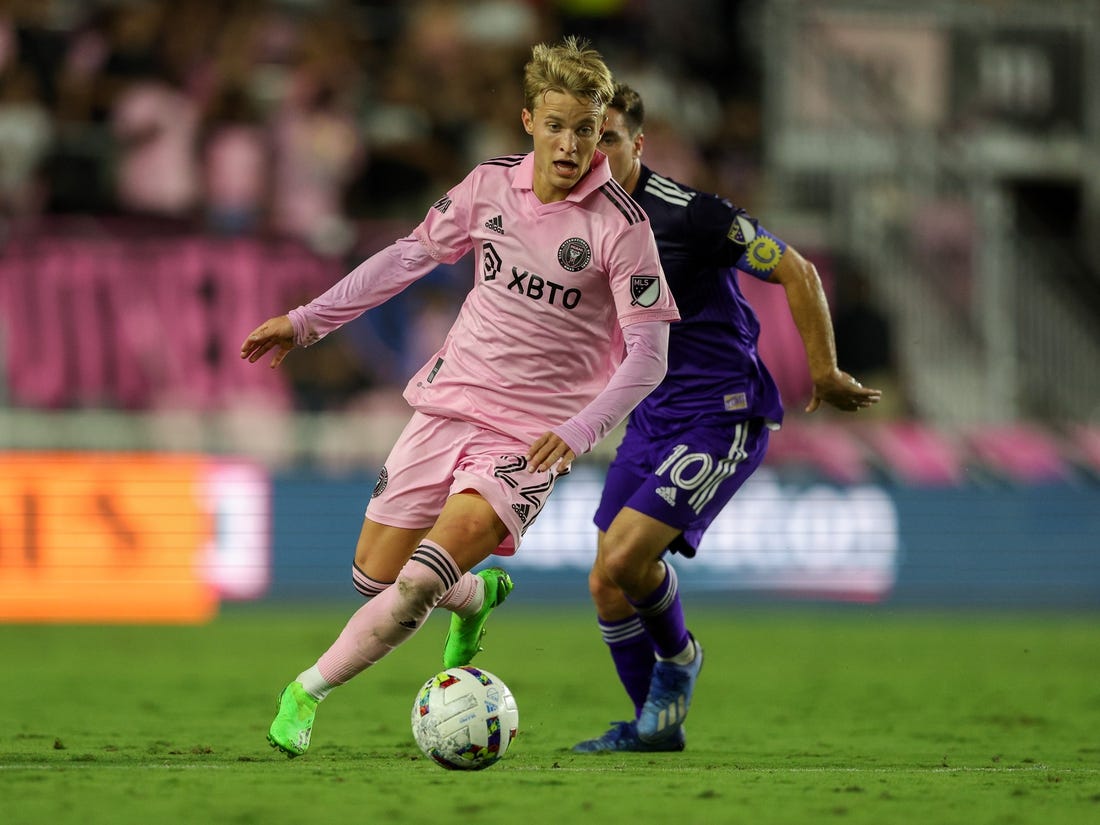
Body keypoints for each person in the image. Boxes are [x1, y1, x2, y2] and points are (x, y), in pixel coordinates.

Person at [240, 39, 679, 758]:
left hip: (530, 438)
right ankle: (475, 597)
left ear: (605, 131)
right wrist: (307, 320)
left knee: (413, 583)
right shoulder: (487, 187)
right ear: (529, 119)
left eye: (587, 129)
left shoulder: (622, 227)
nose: (571, 144)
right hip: (447, 404)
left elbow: (651, 355)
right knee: (373, 575)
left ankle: (305, 693)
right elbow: (409, 255)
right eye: (557, 124)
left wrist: (577, 429)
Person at [568, 83, 882, 753]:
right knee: (604, 580)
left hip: (719, 413)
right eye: (586, 138)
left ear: (637, 145)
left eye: (610, 139)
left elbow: (796, 270)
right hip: (651, 415)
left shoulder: (693, 217)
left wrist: (823, 369)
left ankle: (679, 658)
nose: (594, 152)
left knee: (627, 557)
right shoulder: (575, 218)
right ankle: (653, 726)